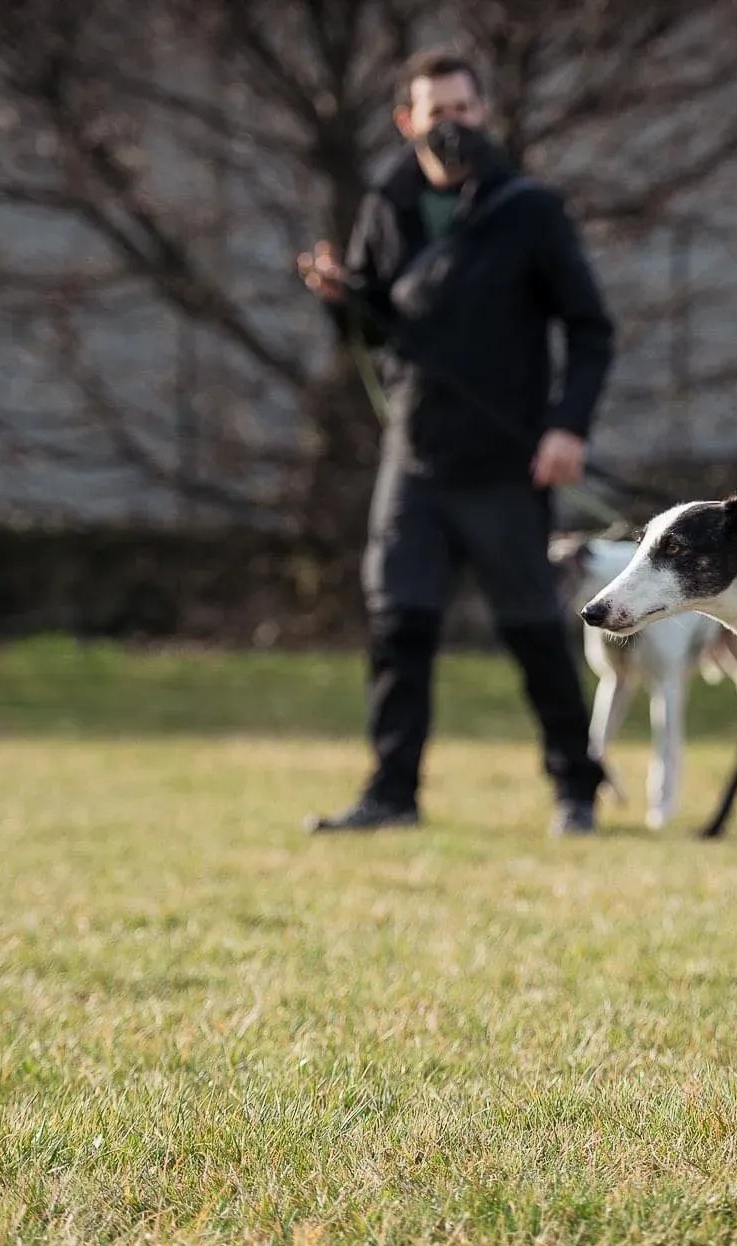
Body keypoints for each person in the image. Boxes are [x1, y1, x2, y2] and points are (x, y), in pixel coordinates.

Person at [298, 48, 613, 836]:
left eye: (464, 111)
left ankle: (576, 786)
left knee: (533, 629)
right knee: (397, 622)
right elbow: (373, 330)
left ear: (485, 114)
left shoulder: (529, 209)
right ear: (409, 122)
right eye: (436, 114)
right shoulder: (387, 203)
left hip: (508, 460)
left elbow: (590, 326)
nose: (452, 126)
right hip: (415, 455)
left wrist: (567, 427)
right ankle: (391, 794)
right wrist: (340, 298)